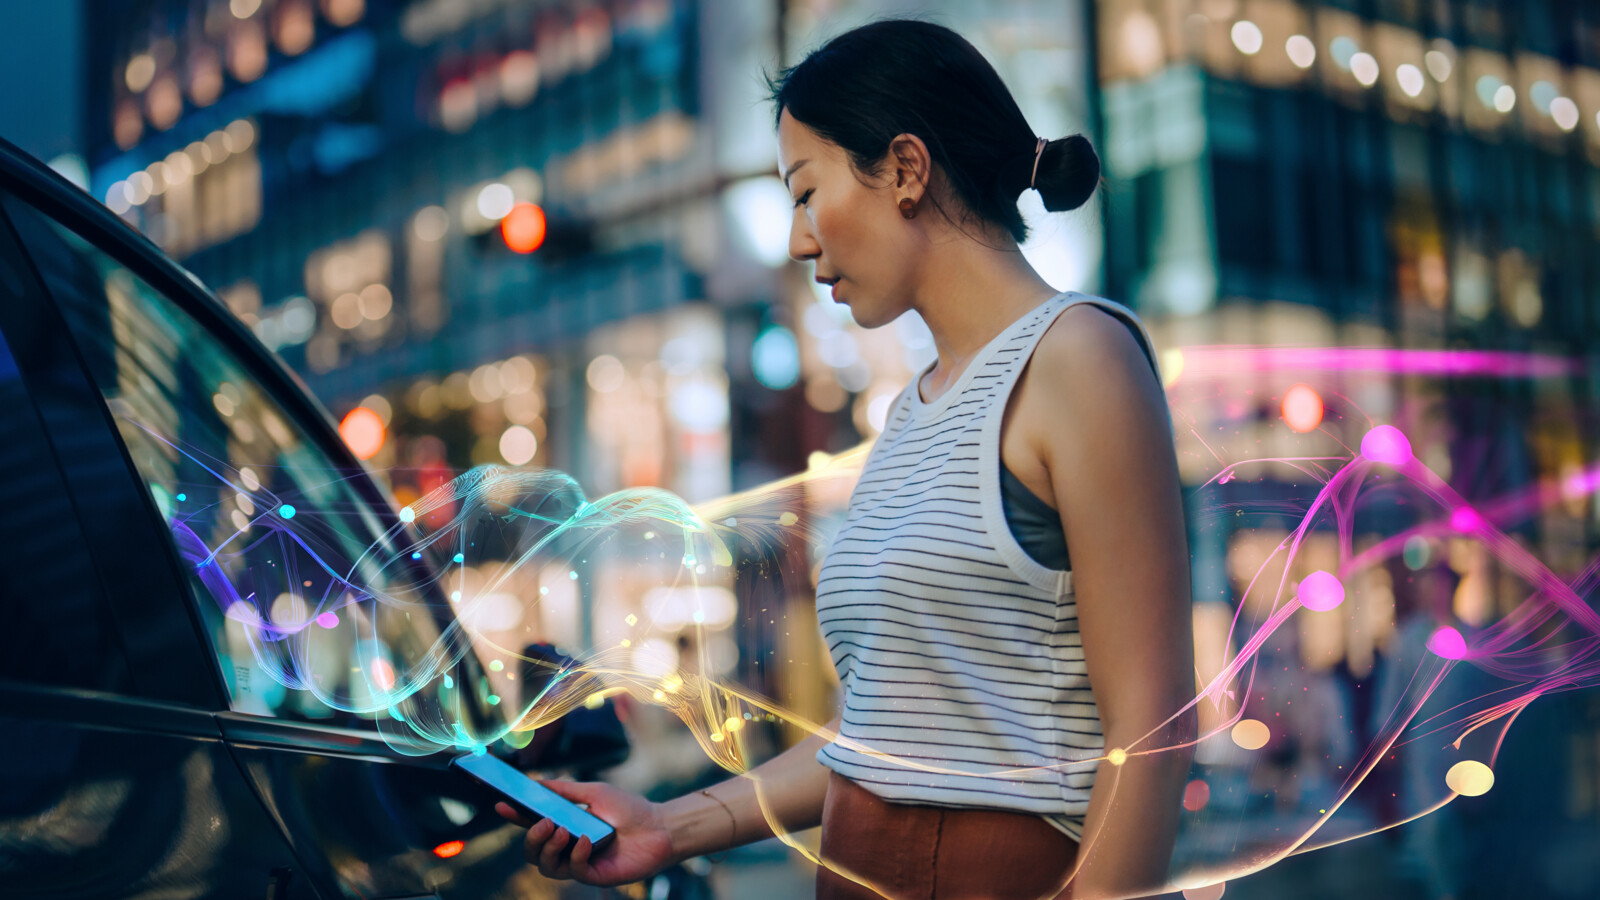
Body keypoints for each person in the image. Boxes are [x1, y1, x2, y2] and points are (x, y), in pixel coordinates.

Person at [497, 18, 1196, 899]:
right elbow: (880, 735)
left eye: (806, 190)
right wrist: (667, 825)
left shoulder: (1079, 358)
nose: (798, 238)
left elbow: (1156, 722)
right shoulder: (911, 412)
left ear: (905, 169)